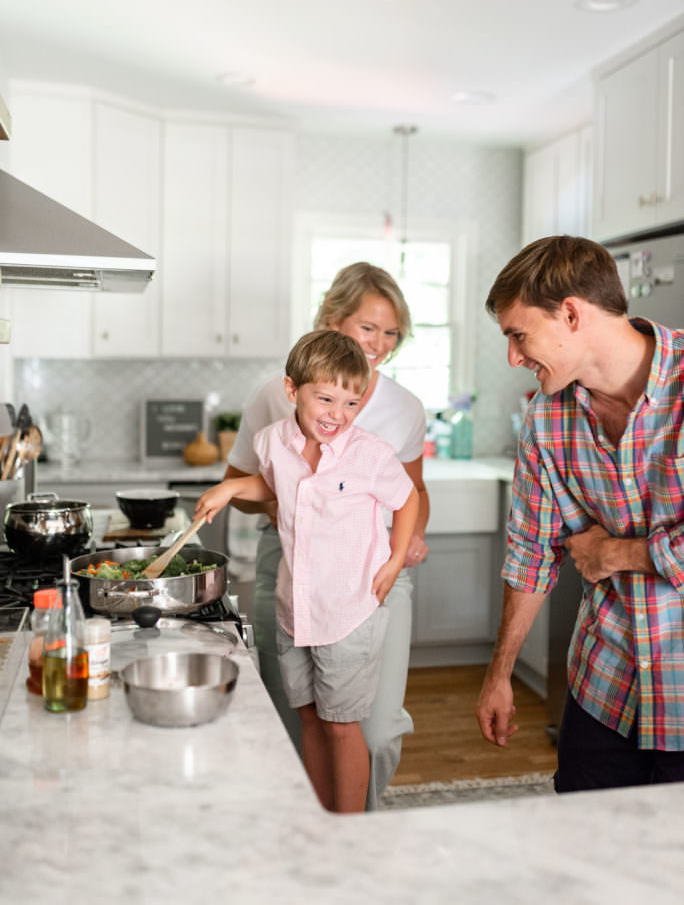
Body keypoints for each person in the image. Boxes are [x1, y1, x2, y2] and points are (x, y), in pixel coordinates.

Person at [476, 234, 684, 792]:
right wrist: (499, 674)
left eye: (518, 335)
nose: (513, 357)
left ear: (570, 313)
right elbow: (531, 554)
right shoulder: (547, 421)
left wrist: (617, 552)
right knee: (582, 850)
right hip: (605, 682)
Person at [225, 262, 429, 809]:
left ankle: (354, 831)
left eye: (392, 333)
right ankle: (313, 834)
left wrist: (411, 539)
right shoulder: (275, 395)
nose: (380, 343)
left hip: (372, 577)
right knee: (301, 717)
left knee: (375, 729)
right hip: (292, 568)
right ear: (332, 320)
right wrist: (299, 506)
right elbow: (247, 484)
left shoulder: (405, 408)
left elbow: (412, 490)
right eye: (369, 327)